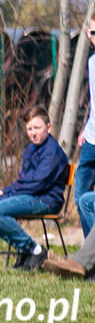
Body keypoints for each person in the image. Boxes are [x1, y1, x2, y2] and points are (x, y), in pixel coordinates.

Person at [0, 105, 67, 271]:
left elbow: (37, 184)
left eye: (37, 128)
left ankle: (35, 250)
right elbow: (22, 181)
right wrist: (4, 192)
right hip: (30, 196)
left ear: (48, 127)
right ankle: (23, 248)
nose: (33, 133)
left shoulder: (52, 152)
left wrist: (8, 195)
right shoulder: (29, 150)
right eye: (29, 129)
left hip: (45, 200)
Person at [75, 16, 95, 237]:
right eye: (92, 33)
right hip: (90, 141)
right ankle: (91, 258)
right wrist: (87, 126)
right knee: (81, 198)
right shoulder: (91, 62)